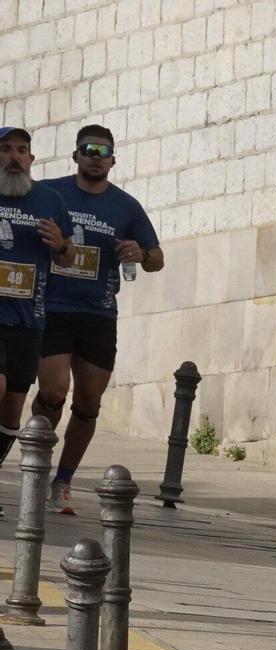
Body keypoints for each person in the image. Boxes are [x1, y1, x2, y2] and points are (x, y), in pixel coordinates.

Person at [33, 125, 163, 515]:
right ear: (75, 155)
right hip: (53, 306)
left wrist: (141, 253)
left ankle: (63, 481)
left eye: (103, 151)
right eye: (88, 149)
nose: (95, 156)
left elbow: (157, 259)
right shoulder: (51, 193)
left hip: (99, 312)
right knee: (54, 390)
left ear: (113, 160)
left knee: (88, 403)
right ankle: (36, 469)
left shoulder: (126, 207)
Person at [0, 126, 77, 466]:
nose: (14, 157)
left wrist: (60, 244)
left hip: (28, 319)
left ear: (31, 159)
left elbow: (69, 257)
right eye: (5, 149)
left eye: (21, 150)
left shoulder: (49, 201)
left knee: (13, 407)